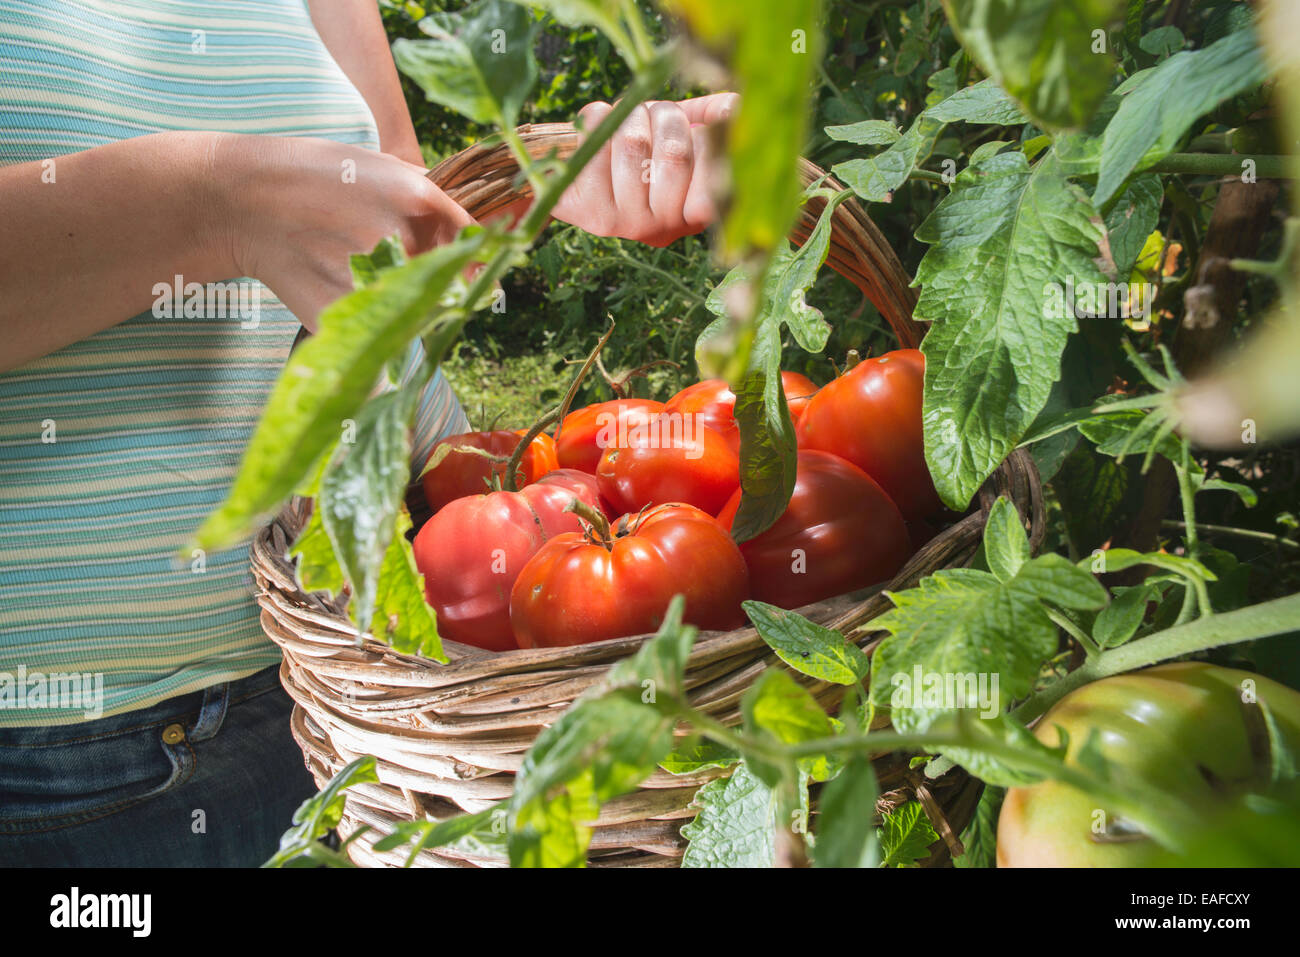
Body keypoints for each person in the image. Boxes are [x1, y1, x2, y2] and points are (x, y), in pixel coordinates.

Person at [0, 0, 734, 866]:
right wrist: (218, 202)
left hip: (375, 692)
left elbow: (395, 224)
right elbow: (270, 206)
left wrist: (560, 172)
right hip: (67, 769)